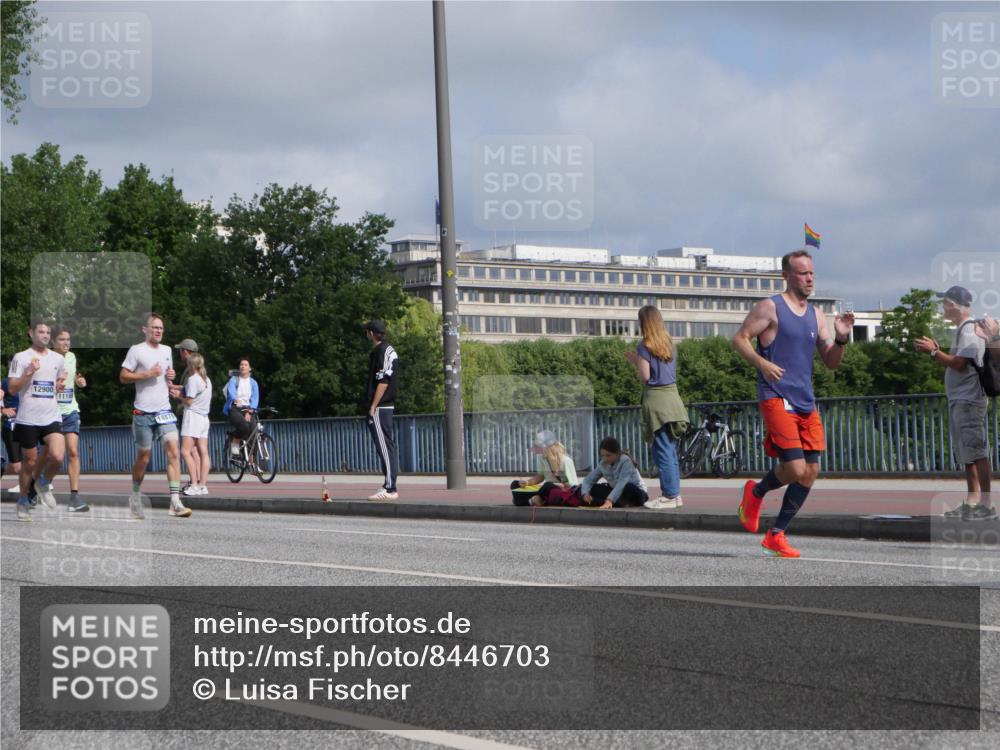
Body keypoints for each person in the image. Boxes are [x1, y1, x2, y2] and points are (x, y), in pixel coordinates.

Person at [732, 249, 854, 558]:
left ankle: (776, 534)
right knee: (797, 468)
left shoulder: (817, 315)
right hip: (776, 396)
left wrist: (841, 339)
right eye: (802, 273)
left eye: (811, 273)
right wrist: (762, 363)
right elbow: (740, 338)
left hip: (805, 401)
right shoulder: (770, 307)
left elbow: (831, 362)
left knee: (810, 471)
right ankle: (756, 492)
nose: (809, 278)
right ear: (787, 276)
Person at [915, 287, 995, 520]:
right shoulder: (963, 329)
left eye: (945, 303)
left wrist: (933, 353)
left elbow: (959, 364)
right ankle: (972, 501)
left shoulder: (969, 330)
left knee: (976, 452)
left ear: (953, 305)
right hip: (962, 399)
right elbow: (956, 362)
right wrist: (937, 351)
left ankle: (985, 504)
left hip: (969, 400)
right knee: (967, 453)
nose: (943, 308)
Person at [120, 313, 191, 519]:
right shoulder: (136, 350)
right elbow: (123, 376)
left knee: (174, 452)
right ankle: (135, 497)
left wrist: (171, 377)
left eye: (161, 328)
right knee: (144, 458)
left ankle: (175, 502)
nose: (159, 331)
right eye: (155, 327)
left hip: (164, 411)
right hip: (143, 413)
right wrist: (147, 374)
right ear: (145, 329)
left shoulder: (167, 350)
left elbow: (167, 377)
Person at [625, 305, 689, 510]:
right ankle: (675, 495)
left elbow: (646, 377)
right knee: (669, 450)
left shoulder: (644, 346)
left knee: (662, 451)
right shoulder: (669, 344)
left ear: (644, 323)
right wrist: (639, 360)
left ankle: (669, 495)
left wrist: (637, 362)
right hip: (673, 400)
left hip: (657, 402)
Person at [6, 320, 66, 522]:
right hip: (28, 419)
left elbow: (57, 381)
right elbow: (12, 388)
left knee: (57, 456)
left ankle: (43, 482)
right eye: (41, 332)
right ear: (31, 334)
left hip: (51, 416)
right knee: (29, 463)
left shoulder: (58, 358)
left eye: (48, 332)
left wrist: (58, 385)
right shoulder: (21, 357)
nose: (45, 335)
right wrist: (28, 373)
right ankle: (23, 500)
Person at [51, 326, 89, 512]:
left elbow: (72, 377)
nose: (66, 343)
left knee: (73, 452)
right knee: (54, 456)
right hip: (51, 413)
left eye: (68, 339)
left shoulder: (72, 357)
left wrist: (79, 381)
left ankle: (74, 497)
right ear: (53, 342)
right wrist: (55, 386)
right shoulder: (47, 359)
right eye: (62, 339)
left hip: (71, 410)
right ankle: (39, 485)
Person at [364, 320, 400, 502]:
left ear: (371, 333)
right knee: (386, 446)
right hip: (385, 406)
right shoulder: (388, 350)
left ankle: (390, 487)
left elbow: (383, 381)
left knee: (384, 447)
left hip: (381, 406)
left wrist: (373, 406)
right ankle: (388, 484)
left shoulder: (382, 351)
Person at [510, 430, 579, 506]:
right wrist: (527, 482)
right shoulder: (542, 458)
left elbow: (572, 486)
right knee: (515, 484)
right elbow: (541, 476)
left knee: (547, 485)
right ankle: (534, 500)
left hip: (557, 491)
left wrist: (557, 485)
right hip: (545, 490)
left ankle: (527, 501)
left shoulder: (566, 461)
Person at [579, 436, 648, 510]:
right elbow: (588, 480)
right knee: (594, 488)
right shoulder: (602, 464)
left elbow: (621, 483)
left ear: (617, 454)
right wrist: (585, 494)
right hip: (617, 493)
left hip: (636, 492)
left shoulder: (626, 461)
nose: (605, 458)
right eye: (602, 455)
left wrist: (610, 500)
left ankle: (605, 502)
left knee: (627, 487)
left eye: (608, 455)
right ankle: (616, 503)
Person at [179, 352, 212, 497]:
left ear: (190, 365)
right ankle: (203, 485)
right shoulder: (206, 379)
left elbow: (189, 401)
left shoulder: (193, 379)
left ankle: (194, 484)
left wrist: (178, 396)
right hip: (204, 418)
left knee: (185, 451)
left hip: (193, 417)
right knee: (203, 451)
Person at [223, 358, 259, 457]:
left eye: (245, 365)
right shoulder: (234, 380)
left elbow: (255, 398)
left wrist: (250, 411)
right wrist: (235, 399)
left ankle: (251, 459)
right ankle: (235, 439)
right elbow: (231, 392)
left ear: (250, 368)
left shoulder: (253, 382)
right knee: (244, 426)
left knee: (253, 431)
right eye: (241, 364)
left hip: (248, 409)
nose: (243, 366)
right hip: (235, 408)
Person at [1, 376, 22, 493]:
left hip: (29, 425)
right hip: (11, 426)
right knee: (17, 466)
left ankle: (26, 485)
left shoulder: (31, 380)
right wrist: (2, 410)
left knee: (31, 459)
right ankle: (1, 467)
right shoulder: (5, 382)